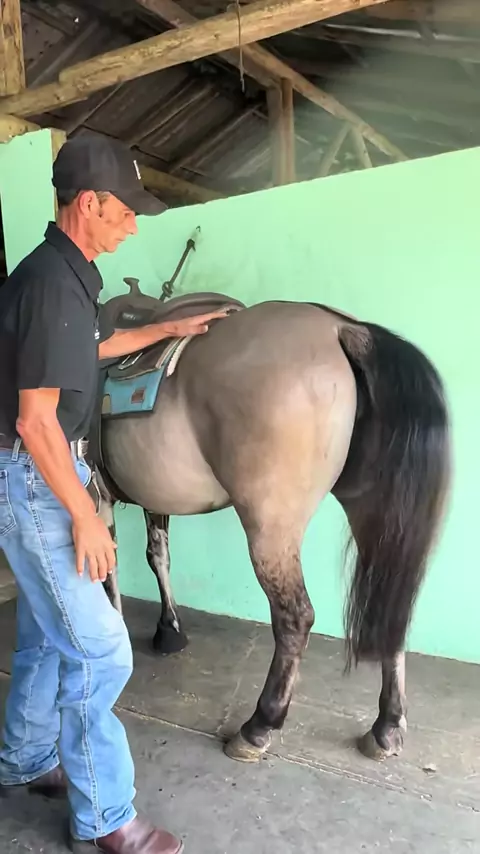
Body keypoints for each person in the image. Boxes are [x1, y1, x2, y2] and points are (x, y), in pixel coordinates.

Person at [0, 134, 226, 853]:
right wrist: (84, 516)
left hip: (36, 470)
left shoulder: (69, 277)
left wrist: (164, 329)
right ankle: (104, 818)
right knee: (102, 653)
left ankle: (25, 758)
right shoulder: (48, 285)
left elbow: (83, 353)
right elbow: (35, 420)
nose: (132, 226)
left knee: (46, 632)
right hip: (35, 475)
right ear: (90, 203)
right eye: (125, 211)